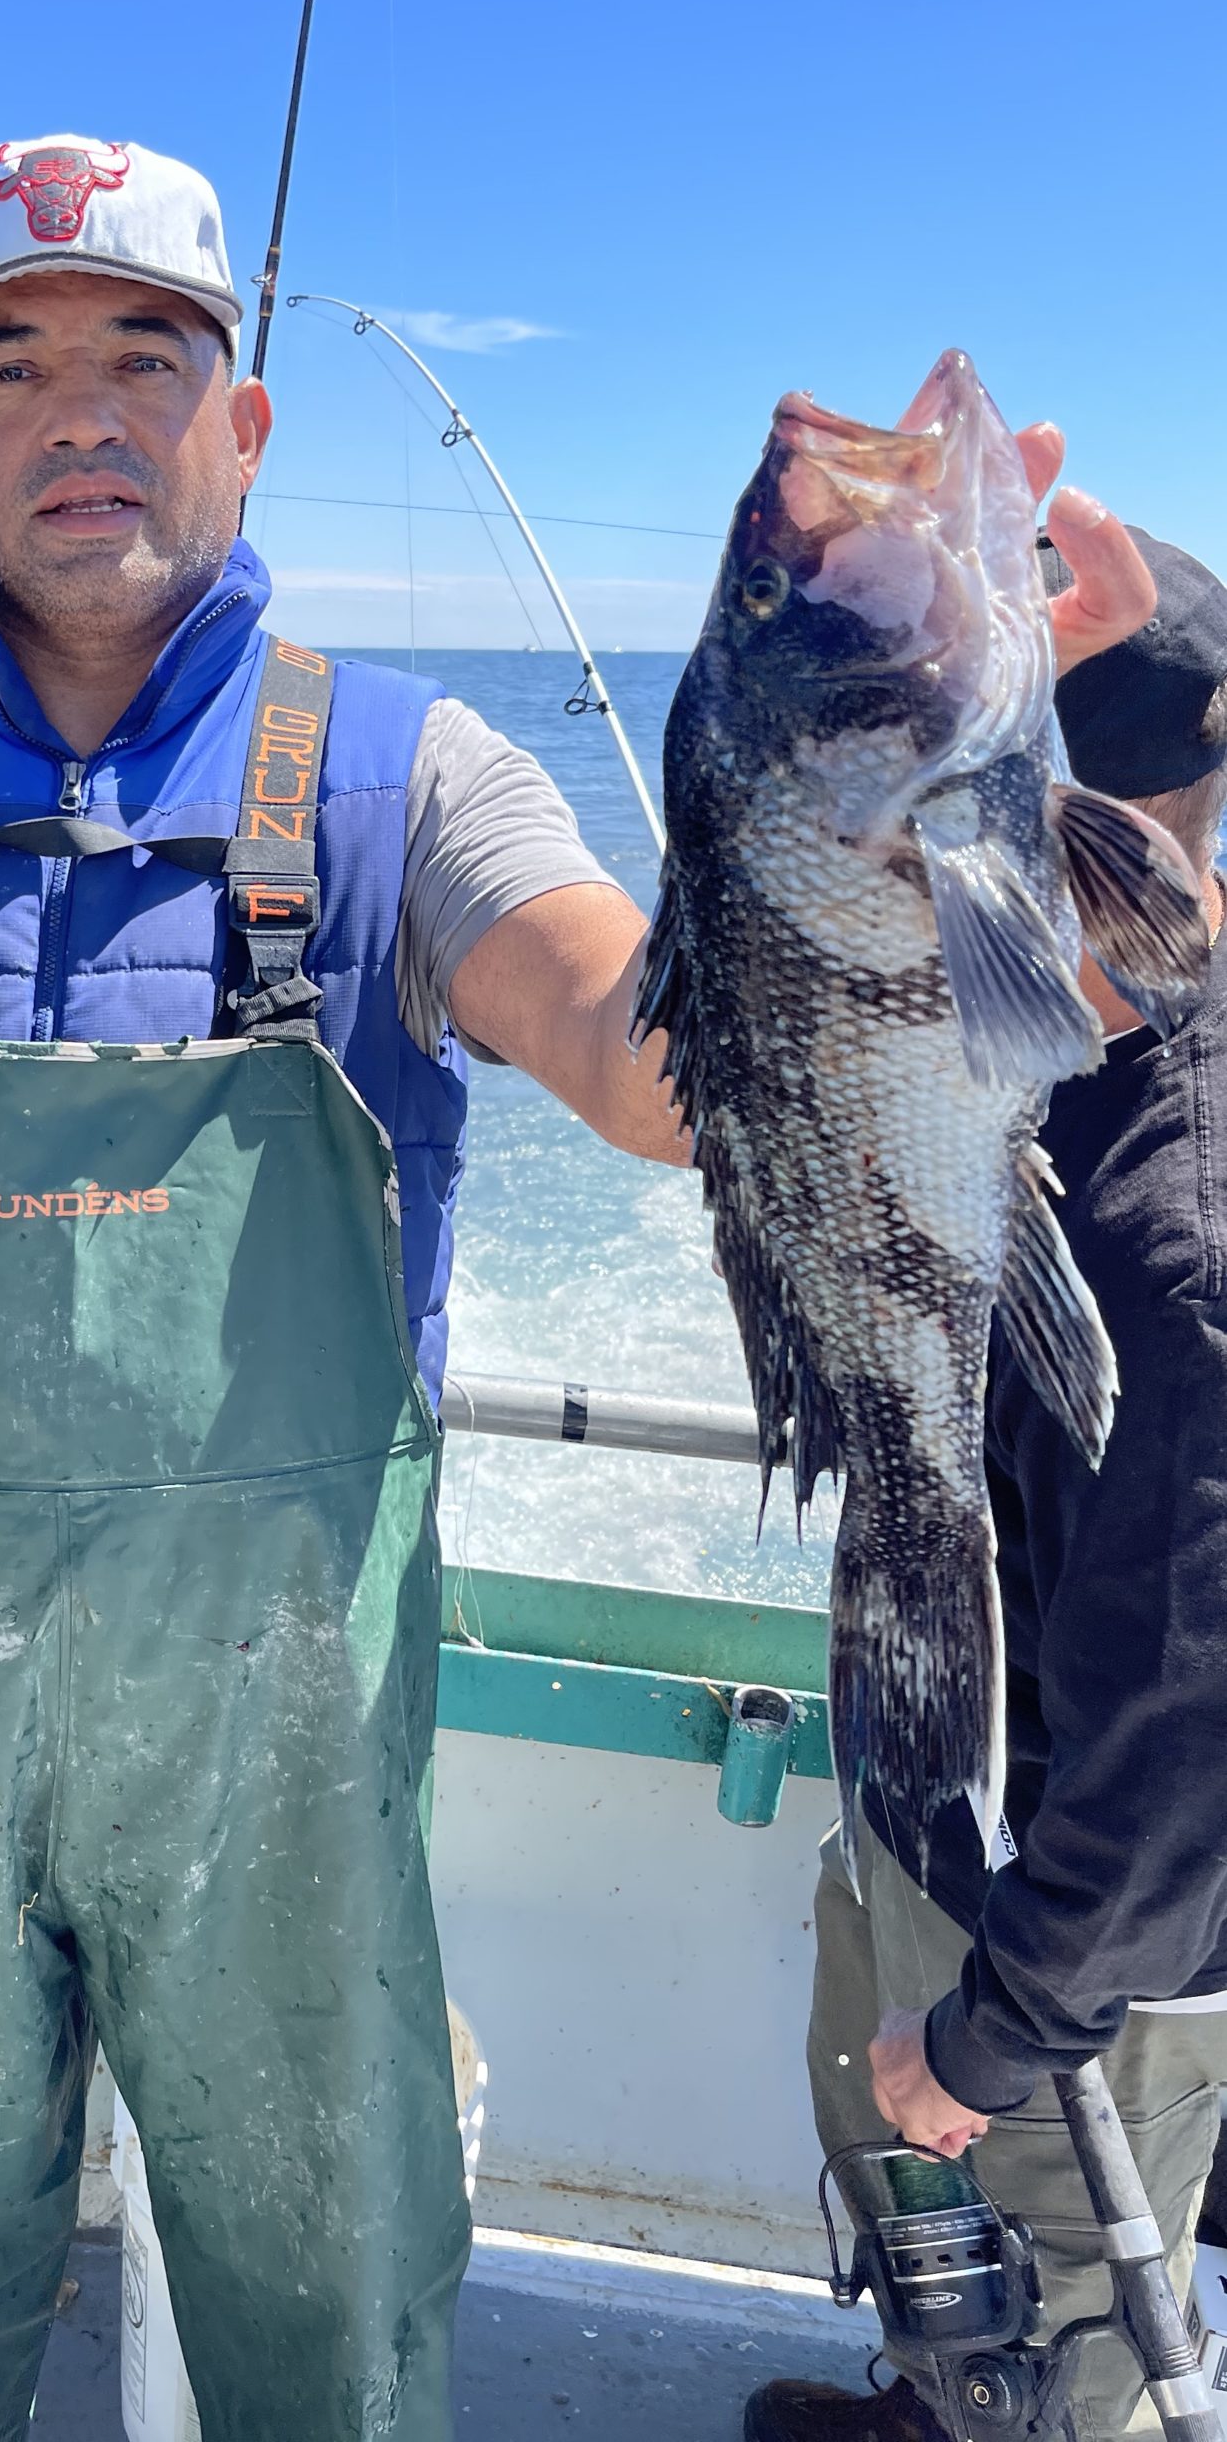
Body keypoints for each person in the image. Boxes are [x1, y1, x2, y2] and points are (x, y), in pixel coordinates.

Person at [0, 129, 1149, 2442]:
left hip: (285, 1776)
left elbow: (663, 1081)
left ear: (240, 427)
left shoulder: (398, 775)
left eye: (149, 354)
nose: (82, 409)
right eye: (7, 359)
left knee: (324, 2330)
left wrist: (947, 799)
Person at [747, 533, 1227, 2442]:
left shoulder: (1177, 1238)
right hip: (949, 1820)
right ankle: (925, 2398)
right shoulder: (1026, 1068)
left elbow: (1191, 1729)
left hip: (1074, 1953)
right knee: (943, 2289)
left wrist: (997, 2028)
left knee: (1060, 2357)